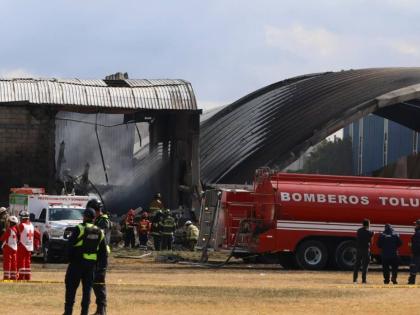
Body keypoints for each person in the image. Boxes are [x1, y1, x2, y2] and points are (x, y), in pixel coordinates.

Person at [63, 208, 108, 315]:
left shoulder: (79, 228)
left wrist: (68, 259)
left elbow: (70, 246)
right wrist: (100, 267)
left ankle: (68, 312)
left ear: (86, 217)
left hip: (77, 264)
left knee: (71, 289)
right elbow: (103, 252)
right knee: (87, 292)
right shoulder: (99, 231)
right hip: (91, 266)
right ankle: (84, 313)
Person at [89, 199, 112, 315]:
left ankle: (102, 310)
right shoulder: (97, 220)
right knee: (94, 282)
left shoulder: (104, 221)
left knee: (99, 281)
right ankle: (99, 309)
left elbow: (98, 235)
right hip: (95, 255)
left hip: (102, 256)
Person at [17, 211, 40, 280]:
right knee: (27, 262)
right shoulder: (31, 225)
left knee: (21, 262)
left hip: (22, 246)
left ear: (22, 217)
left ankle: (21, 277)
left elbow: (15, 233)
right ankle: (27, 277)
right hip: (29, 246)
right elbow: (38, 234)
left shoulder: (21, 225)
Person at [353, 219, 374, 284]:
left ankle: (355, 280)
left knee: (357, 265)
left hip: (359, 249)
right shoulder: (369, 232)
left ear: (363, 224)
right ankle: (363, 280)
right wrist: (373, 235)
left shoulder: (359, 231)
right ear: (368, 225)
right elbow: (371, 242)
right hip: (365, 250)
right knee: (365, 265)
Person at [0, 216, 19, 280]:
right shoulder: (15, 230)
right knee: (14, 262)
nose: (7, 223)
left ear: (11, 223)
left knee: (7, 262)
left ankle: (6, 276)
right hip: (15, 248)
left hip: (9, 248)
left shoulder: (9, 230)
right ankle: (14, 276)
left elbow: (2, 238)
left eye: (8, 222)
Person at [408, 219, 420, 284]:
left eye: (416, 224)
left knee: (413, 267)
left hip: (417, 254)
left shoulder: (417, 234)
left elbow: (416, 245)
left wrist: (413, 252)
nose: (415, 225)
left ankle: (411, 281)